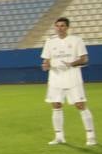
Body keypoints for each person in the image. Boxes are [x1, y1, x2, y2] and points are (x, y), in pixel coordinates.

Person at [41, 17, 96, 146]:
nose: (59, 28)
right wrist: (45, 65)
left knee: (80, 105)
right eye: (57, 26)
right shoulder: (49, 41)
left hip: (72, 77)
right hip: (55, 78)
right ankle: (59, 136)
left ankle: (91, 135)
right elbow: (46, 60)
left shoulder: (76, 40)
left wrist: (71, 63)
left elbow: (84, 59)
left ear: (67, 27)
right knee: (56, 106)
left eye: (62, 26)